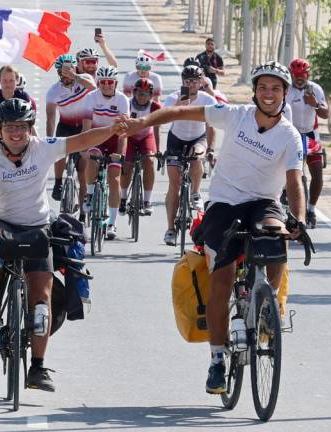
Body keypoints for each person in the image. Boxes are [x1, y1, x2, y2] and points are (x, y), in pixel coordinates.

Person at [120, 61, 306, 395]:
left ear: (285, 93)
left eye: (276, 88)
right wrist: (144, 121)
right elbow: (180, 113)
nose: (269, 94)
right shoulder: (235, 115)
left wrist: (299, 219)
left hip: (263, 202)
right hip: (225, 202)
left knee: (279, 236)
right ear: (255, 91)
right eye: (263, 87)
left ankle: (268, 308)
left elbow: (294, 182)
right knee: (220, 281)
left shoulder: (290, 136)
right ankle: (218, 360)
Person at [0, 98, 128, 391]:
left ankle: (38, 368)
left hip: (37, 225)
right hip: (1, 222)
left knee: (41, 300)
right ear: (0, 130)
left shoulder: (43, 148)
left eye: (22, 127)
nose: (16, 133)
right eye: (10, 128)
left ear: (31, 128)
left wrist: (112, 129)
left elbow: (82, 139)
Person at [161, 65, 216, 246]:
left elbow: (211, 126)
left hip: (197, 138)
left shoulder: (207, 99)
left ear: (201, 82)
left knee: (197, 155)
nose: (191, 85)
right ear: (182, 82)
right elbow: (164, 116)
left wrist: (211, 149)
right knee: (174, 185)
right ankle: (170, 229)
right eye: (187, 81)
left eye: (194, 81)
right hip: (176, 139)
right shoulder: (173, 97)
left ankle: (195, 193)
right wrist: (179, 104)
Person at [80, 65, 129, 239]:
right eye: (103, 82)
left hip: (115, 138)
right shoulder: (91, 97)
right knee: (92, 158)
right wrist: (85, 147)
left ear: (115, 83)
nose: (107, 85)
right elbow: (86, 125)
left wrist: (120, 154)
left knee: (114, 179)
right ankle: (90, 194)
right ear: (99, 83)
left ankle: (112, 224)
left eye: (110, 82)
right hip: (97, 136)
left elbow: (124, 130)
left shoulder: (122, 99)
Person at [46, 54, 96, 202]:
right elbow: (50, 118)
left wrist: (75, 76)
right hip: (66, 125)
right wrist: (49, 140)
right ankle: (58, 182)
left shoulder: (84, 79)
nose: (65, 75)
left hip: (84, 125)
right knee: (59, 150)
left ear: (75, 68)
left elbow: (93, 87)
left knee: (82, 169)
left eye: (69, 70)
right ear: (58, 73)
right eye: (62, 72)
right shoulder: (53, 91)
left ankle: (83, 206)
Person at [287, 58, 329, 228]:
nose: (299, 78)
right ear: (291, 74)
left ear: (308, 74)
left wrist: (315, 104)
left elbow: (326, 114)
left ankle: (311, 209)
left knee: (317, 174)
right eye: (296, 75)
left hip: (311, 135)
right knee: (289, 171)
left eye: (302, 75)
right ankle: (284, 194)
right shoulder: (286, 91)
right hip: (292, 134)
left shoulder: (315, 89)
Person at [119, 78, 161, 216]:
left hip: (146, 137)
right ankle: (123, 198)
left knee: (149, 162)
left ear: (151, 95)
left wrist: (157, 151)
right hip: (129, 137)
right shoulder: (127, 104)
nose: (142, 96)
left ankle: (147, 201)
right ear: (134, 92)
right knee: (127, 164)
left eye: (146, 93)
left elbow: (156, 131)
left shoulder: (155, 107)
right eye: (139, 93)